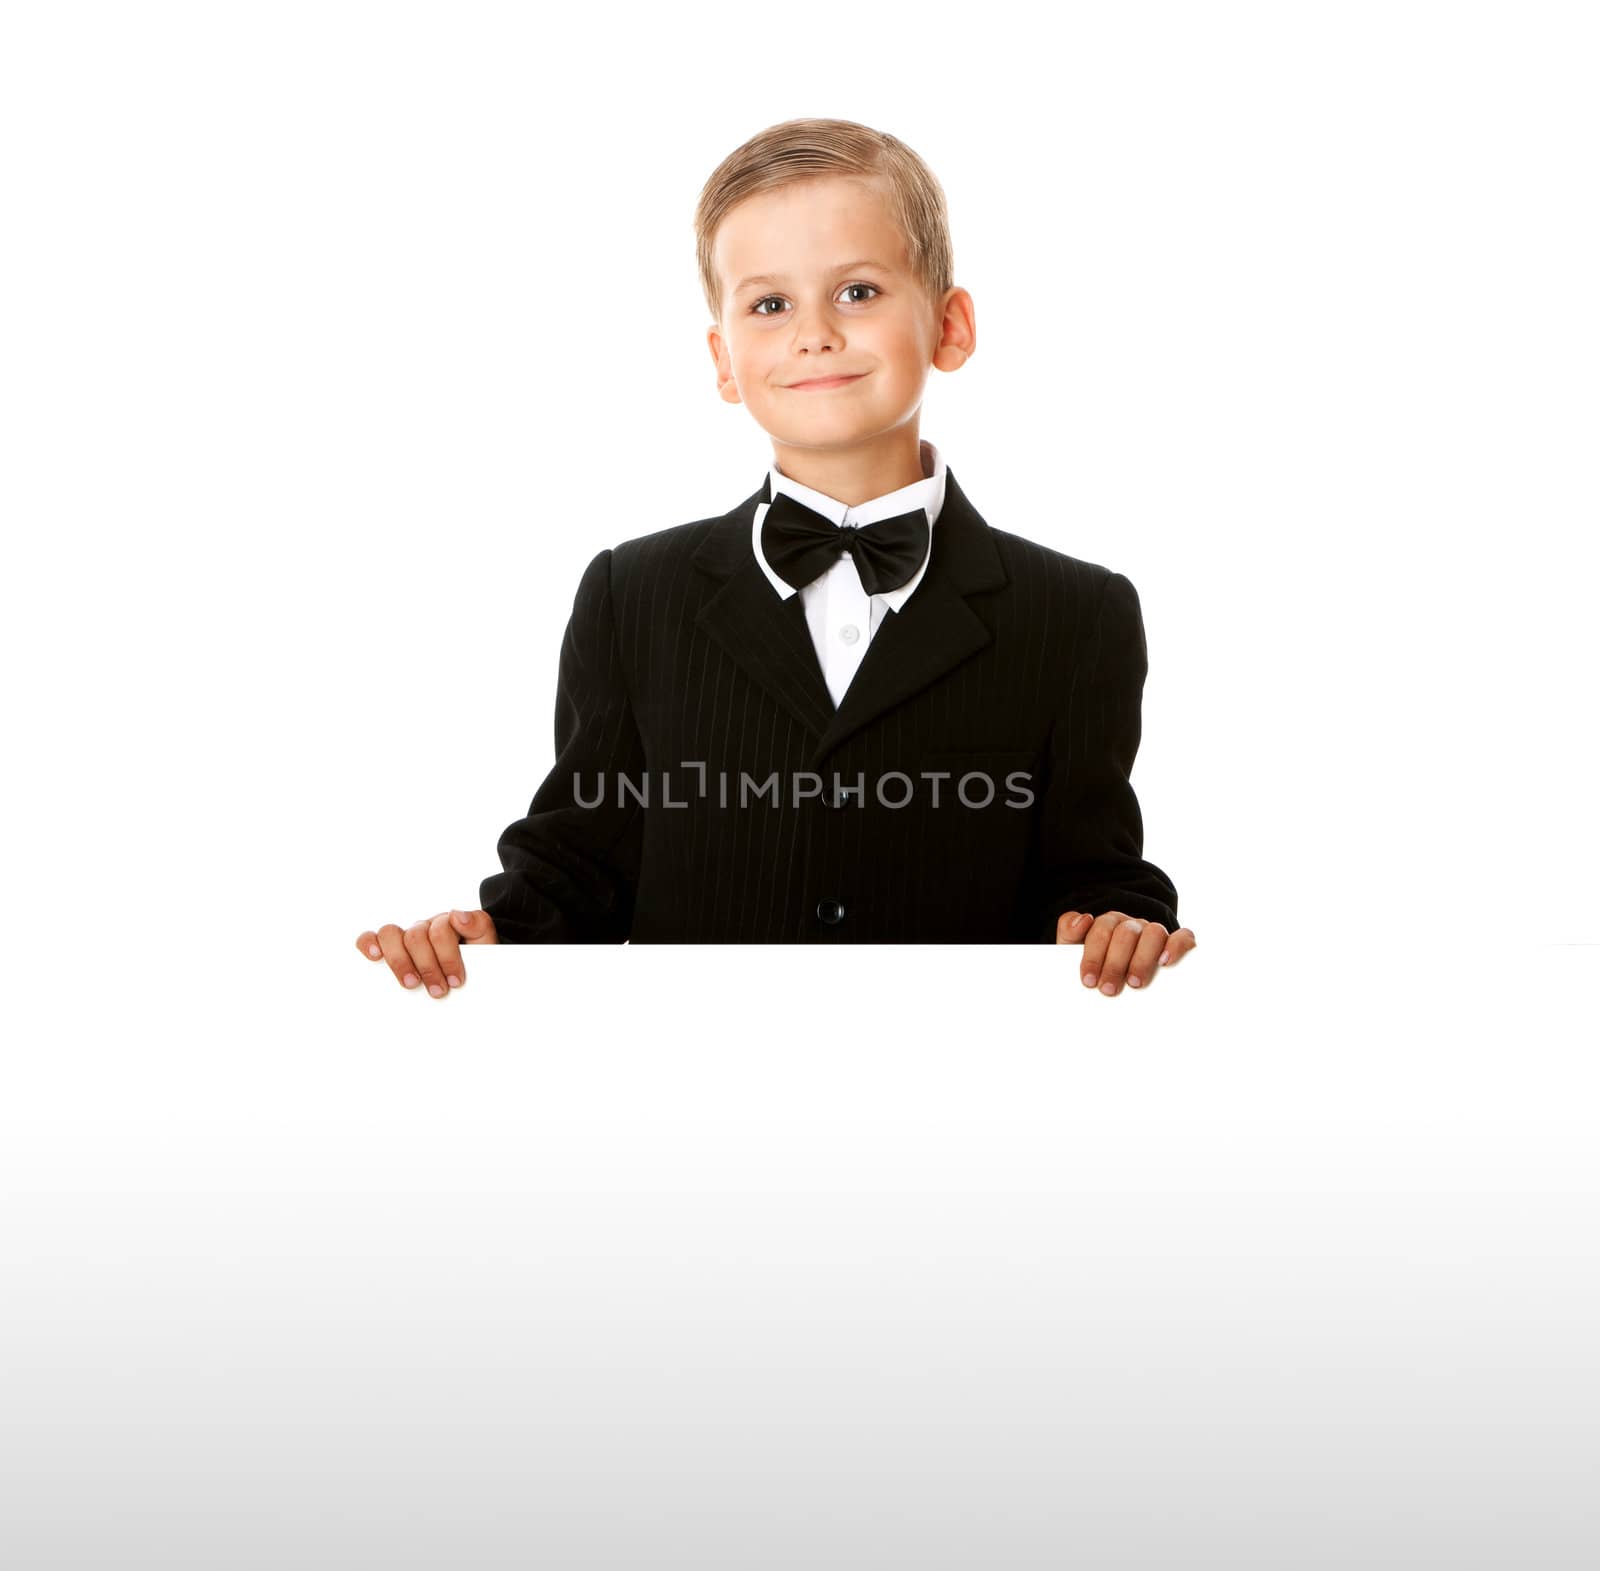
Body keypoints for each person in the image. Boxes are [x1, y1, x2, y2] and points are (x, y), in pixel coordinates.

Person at [357, 117, 1197, 996]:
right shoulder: (631, 594)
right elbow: (577, 871)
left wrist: (1113, 923)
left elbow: (1089, 868)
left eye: (859, 291)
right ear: (724, 360)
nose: (815, 334)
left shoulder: (1076, 613)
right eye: (769, 304)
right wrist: (477, 944)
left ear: (950, 326)